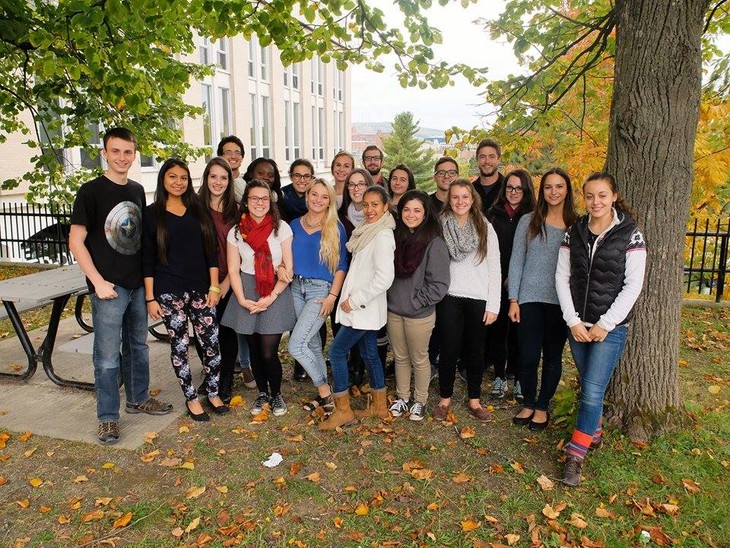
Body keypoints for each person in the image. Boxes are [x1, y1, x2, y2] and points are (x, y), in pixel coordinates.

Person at [69, 127, 172, 445]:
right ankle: (108, 418)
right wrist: (97, 282)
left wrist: (147, 284)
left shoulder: (138, 190)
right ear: (104, 153)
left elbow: (138, 240)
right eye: (116, 151)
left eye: (128, 152)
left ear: (134, 154)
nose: (122, 157)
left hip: (137, 286)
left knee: (139, 348)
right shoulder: (90, 192)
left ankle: (138, 398)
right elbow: (76, 241)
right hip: (108, 288)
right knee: (107, 356)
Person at [556, 172, 646, 486]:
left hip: (610, 329)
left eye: (602, 195)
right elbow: (562, 277)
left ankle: (575, 456)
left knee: (592, 392)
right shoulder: (574, 232)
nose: (596, 202)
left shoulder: (630, 234)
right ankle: (593, 432)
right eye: (590, 196)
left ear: (614, 196)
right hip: (578, 325)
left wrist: (606, 324)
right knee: (588, 384)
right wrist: (572, 321)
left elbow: (633, 286)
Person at [142, 159, 228, 422]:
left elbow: (211, 252)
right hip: (169, 292)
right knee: (180, 348)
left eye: (183, 177)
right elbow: (147, 258)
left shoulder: (198, 210)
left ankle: (213, 392)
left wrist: (214, 286)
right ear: (163, 180)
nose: (178, 182)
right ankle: (191, 399)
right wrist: (150, 297)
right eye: (172, 177)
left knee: (211, 345)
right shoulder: (151, 213)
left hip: (202, 290)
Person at [320, 185, 396, 430]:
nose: (370, 209)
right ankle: (379, 405)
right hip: (363, 309)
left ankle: (343, 411)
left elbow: (385, 278)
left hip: (363, 308)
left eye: (376, 204)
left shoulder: (383, 235)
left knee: (337, 352)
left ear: (386, 207)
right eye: (366, 204)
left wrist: (354, 300)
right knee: (370, 354)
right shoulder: (367, 231)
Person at [509, 168, 577, 431]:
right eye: (548, 187)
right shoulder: (529, 221)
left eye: (559, 186)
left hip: (561, 302)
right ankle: (528, 401)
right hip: (529, 298)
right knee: (527, 355)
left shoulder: (576, 224)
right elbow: (517, 261)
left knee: (552, 356)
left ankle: (542, 406)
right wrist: (514, 298)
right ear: (542, 191)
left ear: (567, 190)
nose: (554, 192)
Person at [221, 180, 296, 417]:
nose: (259, 203)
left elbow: (288, 268)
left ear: (270, 201)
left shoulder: (281, 228)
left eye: (264, 198)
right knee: (253, 347)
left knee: (267, 350)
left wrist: (271, 297)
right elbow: (233, 269)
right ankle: (262, 392)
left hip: (275, 290)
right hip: (246, 290)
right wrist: (242, 300)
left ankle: (276, 394)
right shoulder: (236, 232)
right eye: (254, 198)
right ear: (246, 201)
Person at [434, 179, 500, 422]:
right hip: (449, 296)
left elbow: (495, 267)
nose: (460, 201)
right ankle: (444, 399)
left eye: (465, 197)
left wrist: (494, 305)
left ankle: (474, 400)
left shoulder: (484, 226)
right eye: (455, 197)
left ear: (472, 199)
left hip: (478, 298)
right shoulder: (441, 225)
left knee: (475, 351)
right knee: (448, 348)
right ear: (448, 200)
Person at [387, 190, 450, 421]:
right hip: (394, 309)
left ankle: (419, 400)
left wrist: (417, 301)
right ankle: (402, 397)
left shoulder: (434, 243)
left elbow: (440, 284)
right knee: (400, 357)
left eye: (416, 210)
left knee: (419, 358)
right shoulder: (395, 237)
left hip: (419, 314)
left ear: (425, 214)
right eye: (406, 209)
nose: (410, 214)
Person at [287, 179, 348, 415]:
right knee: (311, 342)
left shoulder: (335, 227)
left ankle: (324, 390)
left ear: (330, 201)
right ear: (306, 196)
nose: (318, 200)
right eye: (314, 194)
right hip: (295, 287)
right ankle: (326, 395)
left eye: (324, 196)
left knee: (296, 345)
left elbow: (341, 265)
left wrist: (333, 296)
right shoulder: (293, 225)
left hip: (320, 291)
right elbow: (286, 258)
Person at [485, 169, 536, 401]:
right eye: (510, 188)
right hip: (497, 280)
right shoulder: (493, 215)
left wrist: (516, 278)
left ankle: (516, 375)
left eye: (519, 188)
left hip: (523, 283)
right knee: (498, 331)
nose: (514, 192)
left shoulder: (534, 217)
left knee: (519, 332)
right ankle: (499, 374)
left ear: (526, 191)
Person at [195, 157, 239, 403]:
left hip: (229, 279)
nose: (218, 182)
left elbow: (243, 252)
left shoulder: (237, 210)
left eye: (223, 177)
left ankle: (225, 381)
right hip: (200, 280)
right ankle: (210, 374)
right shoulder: (195, 208)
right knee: (203, 333)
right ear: (206, 178)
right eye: (213, 176)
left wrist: (225, 284)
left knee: (226, 332)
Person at [335, 168, 374, 386]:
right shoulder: (340, 215)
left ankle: (359, 370)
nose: (356, 188)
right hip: (343, 276)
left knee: (362, 325)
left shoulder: (377, 218)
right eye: (352, 184)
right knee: (343, 322)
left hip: (367, 281)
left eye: (361, 184)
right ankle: (347, 367)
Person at [472, 138, 505, 215]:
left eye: (491, 156)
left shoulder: (508, 188)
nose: (487, 161)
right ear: (477, 160)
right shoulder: (470, 190)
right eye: (482, 157)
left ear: (499, 159)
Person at [217, 136, 246, 201]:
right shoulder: (214, 183)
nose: (233, 156)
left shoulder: (247, 182)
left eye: (237, 153)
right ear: (220, 157)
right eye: (228, 153)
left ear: (242, 157)